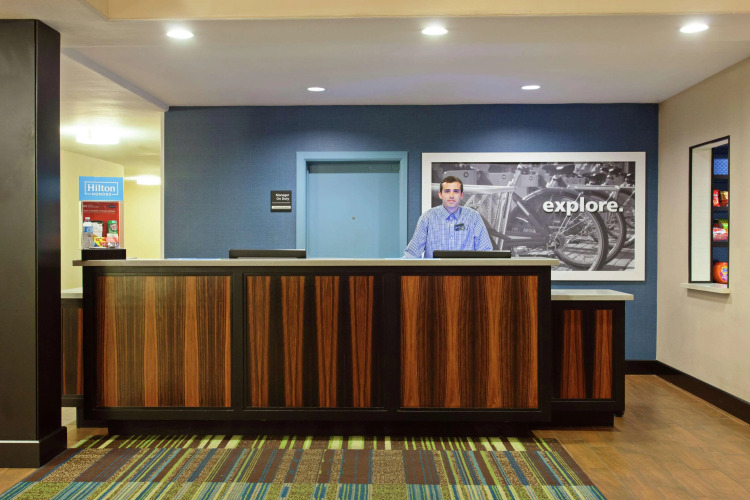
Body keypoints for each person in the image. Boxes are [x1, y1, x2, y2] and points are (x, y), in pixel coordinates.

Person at [403, 176, 493, 258]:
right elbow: (412, 254)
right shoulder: (427, 218)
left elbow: (485, 251)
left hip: (465, 270)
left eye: (456, 191)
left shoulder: (473, 217)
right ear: (440, 194)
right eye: (447, 191)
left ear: (462, 195)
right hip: (435, 271)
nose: (451, 196)